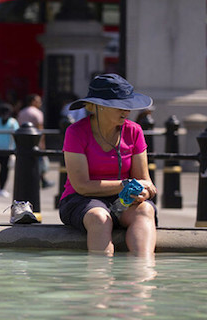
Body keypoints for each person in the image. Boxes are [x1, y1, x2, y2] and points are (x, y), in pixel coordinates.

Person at [59, 73, 158, 257]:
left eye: (128, 106)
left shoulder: (134, 131)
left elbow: (146, 182)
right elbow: (82, 186)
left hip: (124, 201)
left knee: (145, 210)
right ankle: (100, 279)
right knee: (99, 218)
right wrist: (124, 184)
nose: (127, 111)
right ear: (99, 106)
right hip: (81, 200)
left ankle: (143, 275)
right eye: (120, 106)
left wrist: (144, 191)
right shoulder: (76, 132)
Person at [17, 93, 54, 188]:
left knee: (25, 162)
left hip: (23, 141)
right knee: (38, 163)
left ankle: (28, 181)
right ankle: (40, 181)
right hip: (35, 141)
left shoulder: (22, 112)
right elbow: (40, 129)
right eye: (38, 101)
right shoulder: (37, 113)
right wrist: (42, 143)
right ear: (33, 101)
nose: (40, 103)